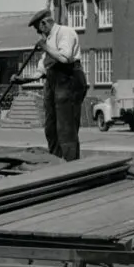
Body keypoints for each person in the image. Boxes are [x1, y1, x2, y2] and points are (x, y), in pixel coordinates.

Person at [13, 8, 87, 161]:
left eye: (38, 28)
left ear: (44, 23)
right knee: (51, 128)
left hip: (68, 79)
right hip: (53, 80)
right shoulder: (48, 40)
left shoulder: (65, 32)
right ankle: (55, 162)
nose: (38, 32)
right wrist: (22, 79)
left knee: (66, 127)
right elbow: (41, 71)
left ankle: (70, 164)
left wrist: (45, 47)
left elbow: (65, 58)